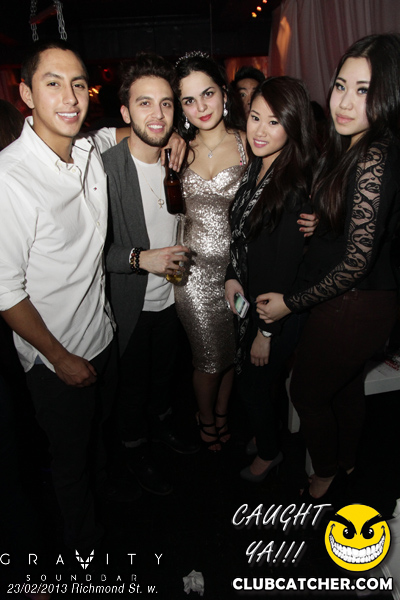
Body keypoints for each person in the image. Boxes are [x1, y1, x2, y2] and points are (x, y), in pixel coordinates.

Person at [257, 33, 400, 499]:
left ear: (388, 95)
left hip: (353, 303)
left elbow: (357, 262)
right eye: (341, 85)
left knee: (306, 393)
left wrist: (290, 303)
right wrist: (328, 221)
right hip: (362, 303)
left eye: (364, 91)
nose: (345, 101)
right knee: (345, 387)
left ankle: (325, 474)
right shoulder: (361, 145)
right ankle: (347, 460)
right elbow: (370, 222)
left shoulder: (374, 154)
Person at [174, 53, 316, 452]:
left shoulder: (248, 143)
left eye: (207, 94)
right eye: (188, 100)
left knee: (235, 358)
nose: (200, 107)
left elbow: (297, 173)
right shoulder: (176, 150)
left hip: (243, 276)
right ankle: (207, 421)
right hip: (196, 277)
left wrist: (321, 215)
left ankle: (223, 416)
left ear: (224, 94)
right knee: (209, 358)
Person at [102, 53, 198, 496]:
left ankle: (161, 427)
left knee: (165, 375)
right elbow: (91, 252)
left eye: (165, 103)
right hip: (130, 302)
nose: (157, 114)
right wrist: (143, 259)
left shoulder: (178, 158)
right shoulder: (105, 169)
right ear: (125, 113)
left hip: (174, 297)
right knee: (131, 386)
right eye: (144, 103)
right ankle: (134, 448)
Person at [225, 76, 316, 481]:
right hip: (252, 299)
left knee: (253, 386)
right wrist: (232, 276)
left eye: (274, 122)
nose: (259, 130)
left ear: (293, 126)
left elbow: (285, 271)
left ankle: (270, 452)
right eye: (255, 117)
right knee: (258, 383)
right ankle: (267, 433)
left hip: (274, 315)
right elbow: (240, 235)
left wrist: (266, 333)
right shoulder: (258, 168)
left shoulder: (292, 187)